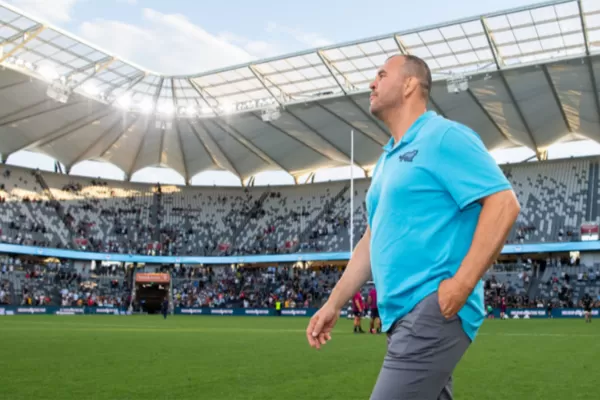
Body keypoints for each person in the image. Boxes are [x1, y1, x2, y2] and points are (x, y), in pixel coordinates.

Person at [306, 54, 520, 400]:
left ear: (409, 84)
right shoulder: (387, 158)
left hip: (432, 309)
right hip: (402, 315)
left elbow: (504, 203)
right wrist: (333, 303)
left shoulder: (443, 136)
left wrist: (461, 285)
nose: (371, 84)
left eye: (381, 75)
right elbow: (372, 239)